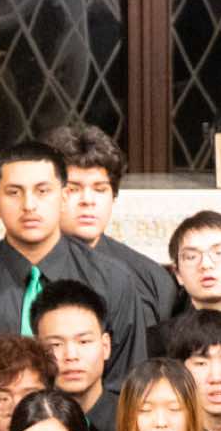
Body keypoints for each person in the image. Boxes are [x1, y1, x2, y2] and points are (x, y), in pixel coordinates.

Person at [0, 139, 147, 386]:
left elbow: (128, 385)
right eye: (14, 192)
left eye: (42, 191)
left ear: (64, 198)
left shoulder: (112, 280)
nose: (29, 205)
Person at [40, 122, 177, 330]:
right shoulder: (26, 273)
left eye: (100, 189)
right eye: (73, 189)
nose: (88, 200)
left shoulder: (151, 278)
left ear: (113, 197)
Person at [31, 279, 119, 431]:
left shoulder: (135, 421)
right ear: (37, 350)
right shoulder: (29, 427)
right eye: (55, 345)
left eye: (84, 341)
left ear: (105, 346)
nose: (71, 355)